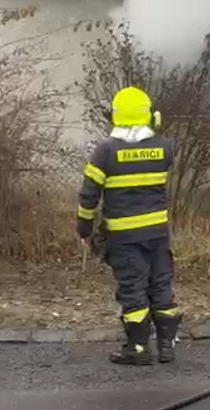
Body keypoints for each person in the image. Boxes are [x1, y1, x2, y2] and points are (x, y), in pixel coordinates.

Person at [77, 86, 180, 366]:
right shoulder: (163, 148)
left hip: (124, 237)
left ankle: (137, 349)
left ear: (115, 117)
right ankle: (167, 347)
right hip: (158, 233)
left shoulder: (105, 151)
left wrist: (84, 229)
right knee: (161, 285)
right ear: (151, 116)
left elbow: (89, 195)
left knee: (133, 288)